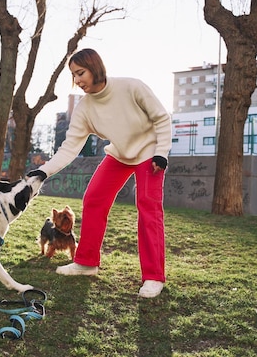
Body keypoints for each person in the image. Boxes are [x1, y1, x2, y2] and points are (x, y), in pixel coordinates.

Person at [28, 48, 172, 298]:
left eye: (81, 72)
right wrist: (42, 171)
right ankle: (86, 263)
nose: (78, 80)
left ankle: (153, 277)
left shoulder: (131, 87)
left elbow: (162, 118)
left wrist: (162, 152)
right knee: (93, 198)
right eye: (74, 75)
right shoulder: (85, 108)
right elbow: (70, 148)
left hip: (150, 153)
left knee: (148, 207)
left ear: (95, 67)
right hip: (120, 154)